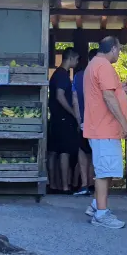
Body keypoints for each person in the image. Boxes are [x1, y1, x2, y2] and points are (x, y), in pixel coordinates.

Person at [83, 36, 127, 229]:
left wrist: (123, 90)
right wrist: (126, 125)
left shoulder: (94, 65)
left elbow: (109, 93)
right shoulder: (103, 66)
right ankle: (101, 215)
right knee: (104, 173)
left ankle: (96, 206)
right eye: (119, 50)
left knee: (108, 170)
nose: (119, 53)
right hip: (104, 129)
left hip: (102, 128)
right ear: (112, 49)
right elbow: (108, 97)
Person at [47, 48, 80, 193]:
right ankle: (65, 186)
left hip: (54, 118)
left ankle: (54, 185)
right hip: (63, 118)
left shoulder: (57, 74)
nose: (77, 62)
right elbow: (60, 96)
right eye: (77, 59)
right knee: (64, 152)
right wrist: (73, 112)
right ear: (71, 58)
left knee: (53, 152)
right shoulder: (62, 76)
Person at [71, 48, 97, 196]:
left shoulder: (79, 76)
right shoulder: (101, 77)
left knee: (82, 151)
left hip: (83, 121)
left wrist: (78, 120)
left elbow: (74, 99)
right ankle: (94, 184)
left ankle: (84, 184)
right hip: (98, 122)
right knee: (95, 152)